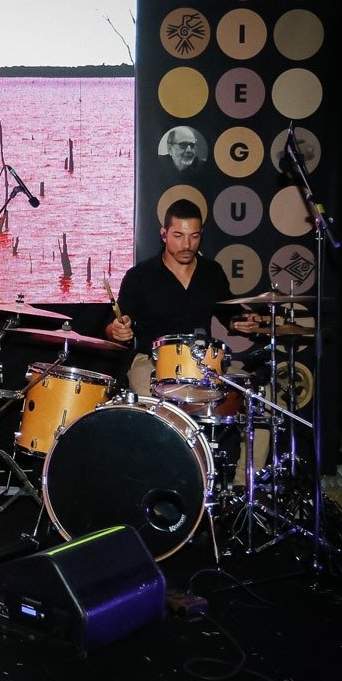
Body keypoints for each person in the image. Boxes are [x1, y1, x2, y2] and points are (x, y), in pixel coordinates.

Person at [105, 199, 268, 488]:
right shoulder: (140, 276)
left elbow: (229, 315)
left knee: (259, 399)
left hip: (205, 363)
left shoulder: (212, 272)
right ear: (163, 234)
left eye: (194, 236)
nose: (186, 244)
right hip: (152, 361)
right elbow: (115, 324)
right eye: (178, 235)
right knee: (151, 404)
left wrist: (242, 322)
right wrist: (116, 329)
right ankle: (161, 483)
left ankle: (245, 488)